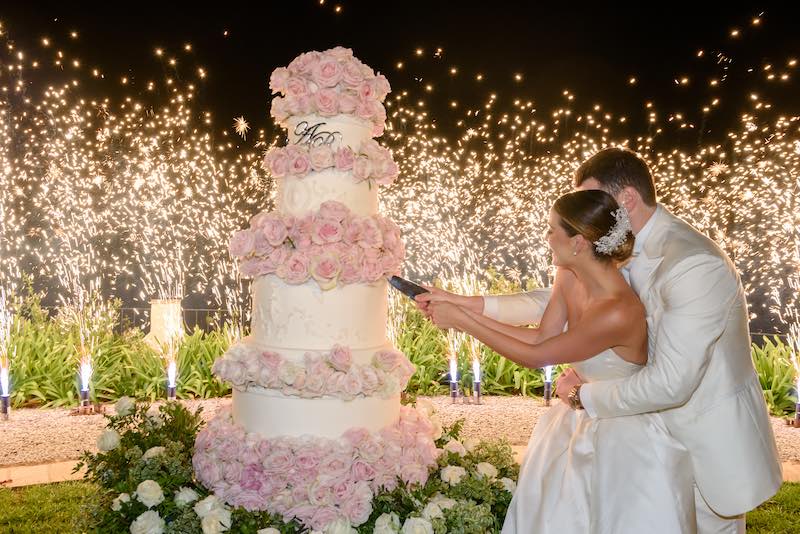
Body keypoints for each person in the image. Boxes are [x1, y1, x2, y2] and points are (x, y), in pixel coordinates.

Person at [417, 147, 782, 533]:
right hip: (624, 433)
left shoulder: (692, 263)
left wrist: (583, 396)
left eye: (596, 200)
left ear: (626, 199)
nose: (591, 211)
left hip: (697, 441)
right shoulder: (609, 247)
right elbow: (561, 305)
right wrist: (463, 304)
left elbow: (672, 382)